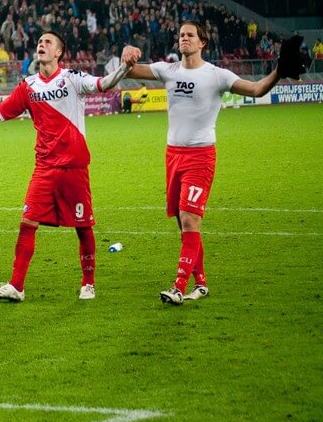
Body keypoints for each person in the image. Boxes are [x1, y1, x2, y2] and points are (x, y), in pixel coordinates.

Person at [0, 31, 129, 301]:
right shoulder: (28, 86)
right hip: (45, 166)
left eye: (48, 42)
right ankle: (16, 286)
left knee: (83, 226)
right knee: (27, 222)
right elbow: (1, 110)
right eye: (40, 42)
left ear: (58, 53)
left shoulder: (73, 79)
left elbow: (104, 83)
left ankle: (88, 282)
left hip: (74, 167)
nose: (42, 45)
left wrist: (125, 66)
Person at [121, 22, 291, 305]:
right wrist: (127, 53)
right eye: (181, 35)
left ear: (203, 43)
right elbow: (128, 70)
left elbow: (257, 89)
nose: (184, 38)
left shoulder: (217, 75)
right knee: (182, 223)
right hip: (173, 155)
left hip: (200, 156)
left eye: (190, 35)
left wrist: (278, 72)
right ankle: (201, 283)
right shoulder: (168, 70)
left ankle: (178, 287)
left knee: (190, 219)